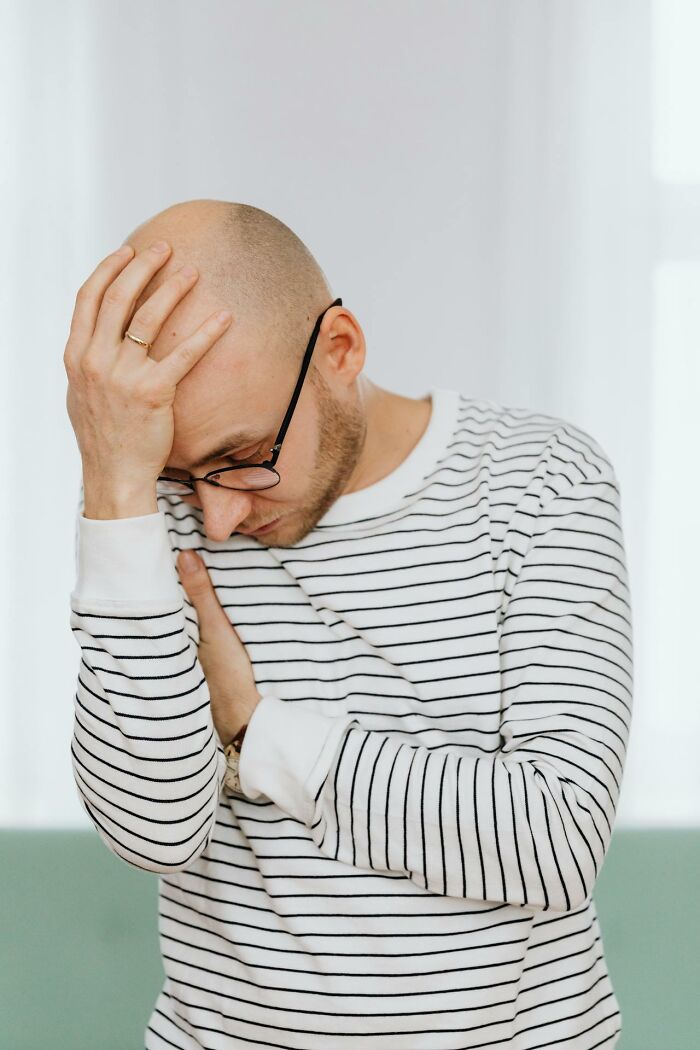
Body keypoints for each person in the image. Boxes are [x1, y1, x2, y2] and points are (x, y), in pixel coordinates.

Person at [65, 199, 632, 1049]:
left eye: (244, 458)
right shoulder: (146, 512)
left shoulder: (541, 481)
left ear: (341, 349)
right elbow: (153, 829)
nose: (216, 518)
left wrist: (257, 732)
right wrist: (115, 490)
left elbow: (555, 842)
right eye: (186, 476)